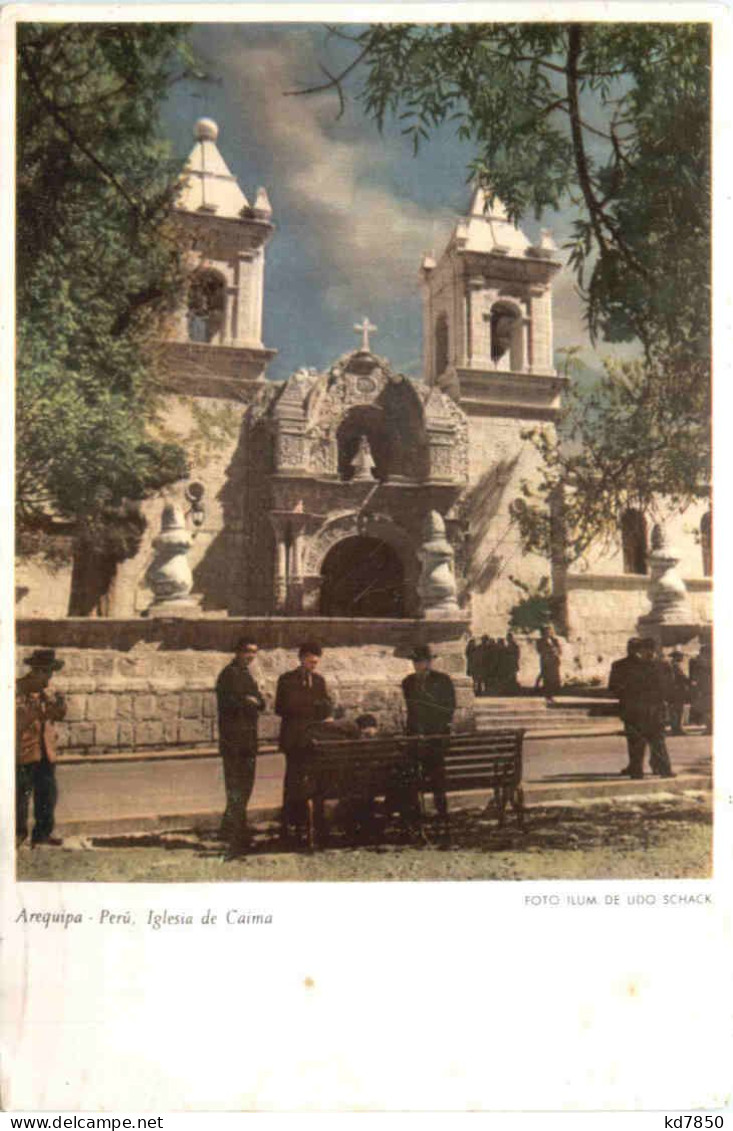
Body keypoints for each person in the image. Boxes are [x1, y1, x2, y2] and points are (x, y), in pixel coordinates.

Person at [275, 642, 333, 843]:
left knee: (313, 783)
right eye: (310, 661)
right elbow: (282, 707)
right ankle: (290, 823)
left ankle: (313, 823)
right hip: (294, 739)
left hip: (313, 740)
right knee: (293, 782)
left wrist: (322, 707)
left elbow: (325, 707)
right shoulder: (287, 680)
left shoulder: (318, 681)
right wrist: (311, 705)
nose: (313, 665)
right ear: (301, 659)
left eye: (316, 662)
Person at [215, 638, 265, 854]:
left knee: (246, 784)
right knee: (236, 785)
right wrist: (248, 701)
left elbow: (261, 702)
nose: (251, 656)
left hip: (248, 740)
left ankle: (231, 826)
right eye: (247, 652)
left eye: (254, 652)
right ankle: (236, 830)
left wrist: (253, 700)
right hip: (234, 740)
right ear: (238, 652)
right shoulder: (228, 674)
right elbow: (229, 704)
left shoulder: (247, 674)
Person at [401, 644, 456, 834]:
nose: (417, 665)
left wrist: (434, 731)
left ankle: (442, 814)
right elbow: (409, 710)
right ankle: (416, 816)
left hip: (435, 738)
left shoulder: (442, 681)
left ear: (429, 662)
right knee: (412, 777)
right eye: (415, 662)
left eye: (421, 661)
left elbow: (448, 709)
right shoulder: (407, 682)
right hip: (416, 737)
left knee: (437, 778)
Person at [16, 649, 68, 848]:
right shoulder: (18, 688)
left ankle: (42, 834)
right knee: (20, 796)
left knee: (47, 794)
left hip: (46, 749)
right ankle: (17, 835)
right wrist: (37, 706)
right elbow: (18, 720)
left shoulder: (46, 691)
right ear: (37, 671)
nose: (50, 677)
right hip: (25, 750)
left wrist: (59, 703)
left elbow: (57, 716)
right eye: (47, 672)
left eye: (51, 673)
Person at [608, 637, 674, 779]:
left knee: (640, 741)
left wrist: (627, 697)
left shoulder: (634, 666)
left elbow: (614, 688)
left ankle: (639, 770)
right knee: (655, 741)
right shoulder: (660, 665)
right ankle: (661, 769)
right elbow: (669, 688)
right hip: (649, 708)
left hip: (638, 708)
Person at [689, 643, 713, 734]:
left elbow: (696, 677)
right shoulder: (703, 663)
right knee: (707, 710)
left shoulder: (701, 663)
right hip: (705, 689)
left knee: (707, 709)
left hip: (706, 689)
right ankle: (709, 728)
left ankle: (709, 728)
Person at [666, 651, 690, 736]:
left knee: (675, 710)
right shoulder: (676, 666)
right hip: (678, 691)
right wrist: (690, 682)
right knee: (678, 710)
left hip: (674, 690)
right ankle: (677, 728)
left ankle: (676, 728)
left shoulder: (672, 665)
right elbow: (682, 677)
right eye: (681, 656)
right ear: (677, 657)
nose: (682, 658)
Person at [536, 626, 562, 698]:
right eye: (547, 632)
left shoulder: (554, 640)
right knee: (546, 677)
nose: (548, 633)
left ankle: (553, 692)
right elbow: (539, 650)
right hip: (546, 661)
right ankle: (547, 693)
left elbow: (559, 650)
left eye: (550, 632)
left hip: (554, 661)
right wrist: (548, 651)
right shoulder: (540, 641)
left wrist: (556, 651)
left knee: (554, 677)